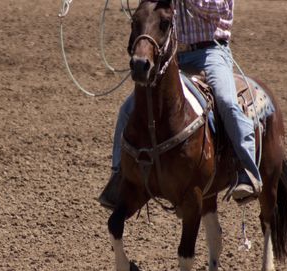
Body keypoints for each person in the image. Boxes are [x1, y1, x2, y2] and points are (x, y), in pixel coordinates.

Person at [98, 0, 262, 208]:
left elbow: (218, 9)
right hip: (172, 55)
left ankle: (247, 172)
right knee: (127, 110)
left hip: (211, 52)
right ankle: (118, 177)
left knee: (227, 101)